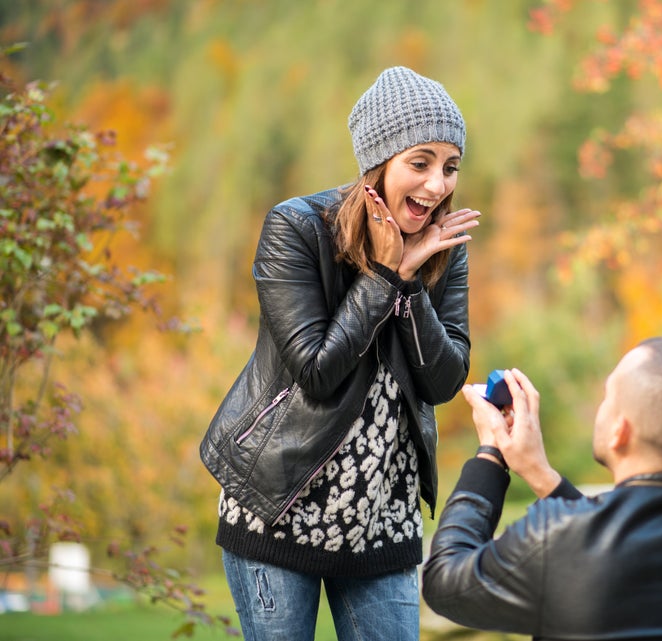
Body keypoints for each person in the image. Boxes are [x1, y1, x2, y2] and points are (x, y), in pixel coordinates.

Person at [200, 66, 480, 641]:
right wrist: (383, 275)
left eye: (450, 167)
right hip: (279, 507)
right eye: (420, 163)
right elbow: (318, 372)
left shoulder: (443, 247)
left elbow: (444, 381)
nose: (437, 186)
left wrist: (410, 284)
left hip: (382, 517)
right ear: (379, 161)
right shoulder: (297, 229)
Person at [423, 337, 662, 641]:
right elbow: (618, 552)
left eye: (608, 397)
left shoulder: (557, 539)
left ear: (620, 431)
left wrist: (490, 453)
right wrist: (540, 474)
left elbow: (445, 582)